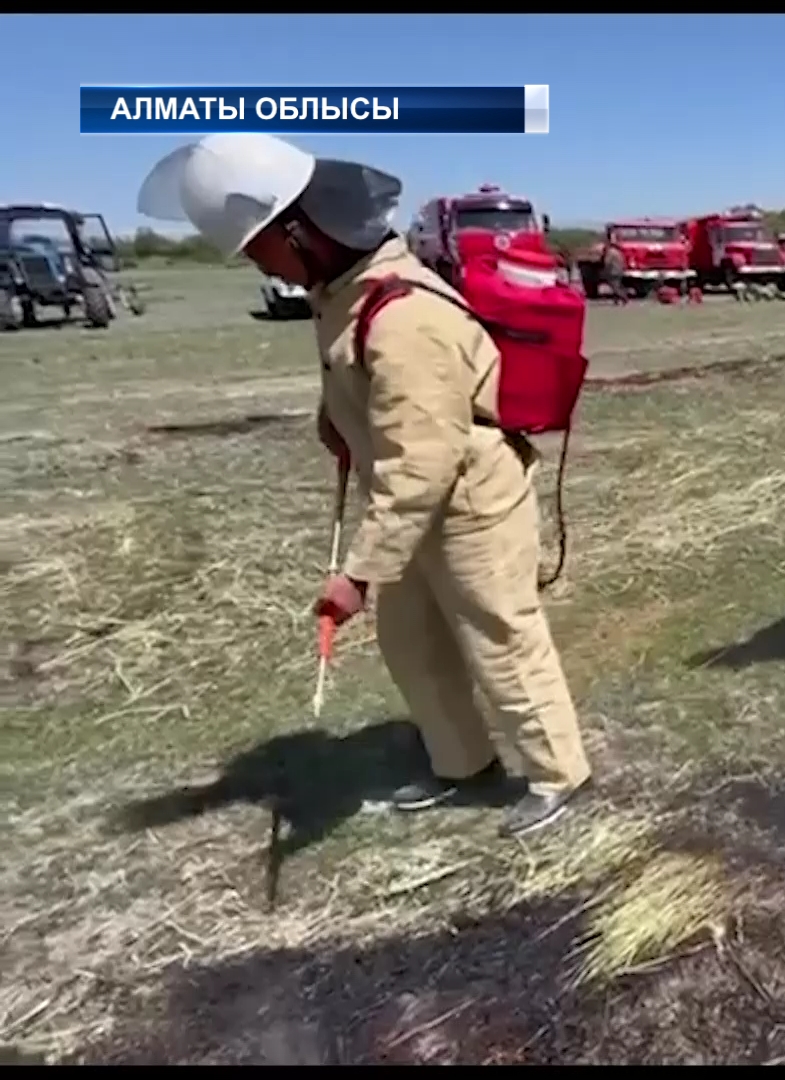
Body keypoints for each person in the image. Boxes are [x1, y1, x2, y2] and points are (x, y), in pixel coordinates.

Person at [136, 133, 593, 839]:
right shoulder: (340, 293)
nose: (264, 266)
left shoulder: (403, 315)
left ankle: (559, 776)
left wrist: (358, 574)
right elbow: (366, 386)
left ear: (300, 230)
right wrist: (339, 420)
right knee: (412, 641)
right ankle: (464, 764)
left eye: (262, 249)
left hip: (468, 498)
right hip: (409, 498)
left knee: (500, 635)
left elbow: (425, 459)